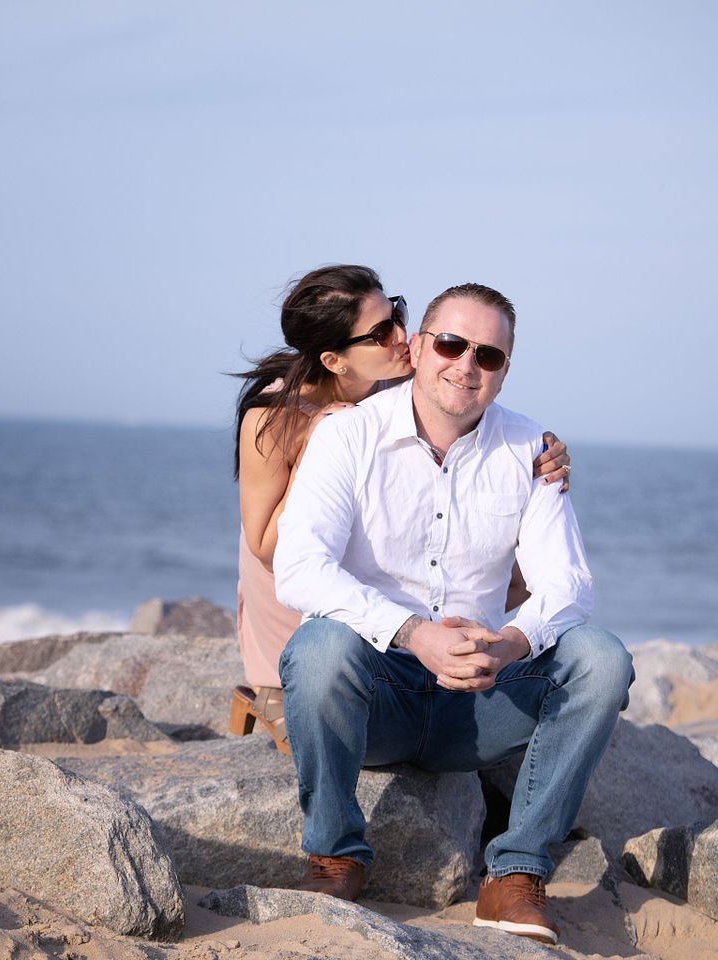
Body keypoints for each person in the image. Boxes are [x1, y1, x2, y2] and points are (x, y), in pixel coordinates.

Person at [272, 282, 633, 946]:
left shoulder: (531, 450)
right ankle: (335, 856)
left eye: (488, 356)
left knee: (602, 660)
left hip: (481, 699)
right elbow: (299, 567)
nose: (466, 365)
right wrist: (415, 634)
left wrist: (512, 644)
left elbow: (570, 585)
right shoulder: (347, 436)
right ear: (418, 346)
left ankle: (515, 875)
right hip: (378, 694)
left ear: (503, 372)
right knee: (318, 650)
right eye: (451, 344)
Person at [230, 266, 570, 755]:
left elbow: (476, 414)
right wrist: (322, 445)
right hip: (288, 581)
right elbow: (265, 547)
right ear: (335, 360)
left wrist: (541, 454)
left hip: (378, 577)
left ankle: (441, 671)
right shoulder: (272, 415)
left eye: (397, 315)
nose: (400, 336)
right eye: (380, 333)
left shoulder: (402, 378)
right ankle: (274, 687)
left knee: (509, 562)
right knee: (321, 634)